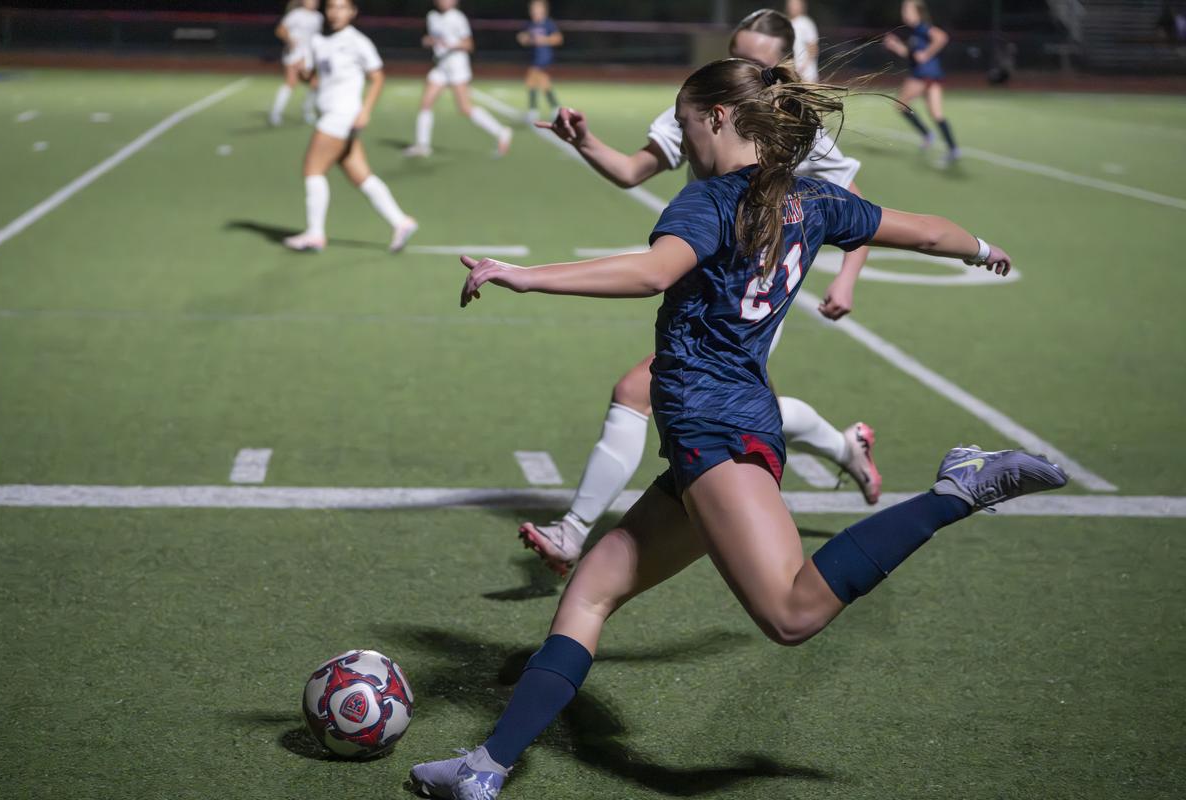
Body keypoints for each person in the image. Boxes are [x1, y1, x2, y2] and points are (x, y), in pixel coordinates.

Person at [408, 56, 1068, 799]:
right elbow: (920, 231)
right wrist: (979, 248)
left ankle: (958, 489)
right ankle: (485, 768)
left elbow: (653, 273)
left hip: (714, 428)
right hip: (722, 426)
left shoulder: (709, 203)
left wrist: (524, 274)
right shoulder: (812, 199)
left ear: (718, 117)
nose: (682, 140)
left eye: (686, 123)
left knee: (789, 614)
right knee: (591, 590)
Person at [521, 9, 878, 577]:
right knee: (746, 409)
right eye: (736, 55)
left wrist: (846, 277)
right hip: (708, 285)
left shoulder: (787, 123)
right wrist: (585, 141)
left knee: (638, 388)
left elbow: (856, 209)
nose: (744, 70)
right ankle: (843, 446)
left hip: (749, 295)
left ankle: (573, 534)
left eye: (758, 62)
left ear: (781, 67)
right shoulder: (706, 101)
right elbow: (634, 169)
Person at [283, 0, 418, 254]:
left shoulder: (358, 41)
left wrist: (365, 110)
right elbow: (313, 80)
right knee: (361, 176)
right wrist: (301, 72)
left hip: (341, 116)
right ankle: (401, 222)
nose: (336, 12)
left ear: (353, 11)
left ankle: (315, 234)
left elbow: (378, 77)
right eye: (332, 7)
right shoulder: (319, 41)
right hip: (332, 114)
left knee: (312, 169)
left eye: (342, 7)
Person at [404, 0, 513, 158]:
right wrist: (429, 41)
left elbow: (469, 45)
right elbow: (433, 39)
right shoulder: (432, 16)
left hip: (457, 66)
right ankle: (422, 146)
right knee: (425, 103)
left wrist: (450, 45)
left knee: (465, 108)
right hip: (441, 66)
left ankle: (502, 132)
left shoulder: (458, 18)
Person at [883, 0, 960, 162]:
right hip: (932, 75)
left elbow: (941, 37)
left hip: (923, 74)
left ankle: (927, 134)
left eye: (907, 10)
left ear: (917, 12)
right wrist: (896, 46)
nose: (904, 14)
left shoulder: (922, 27)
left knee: (901, 104)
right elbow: (911, 55)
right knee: (936, 114)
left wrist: (927, 54)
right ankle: (953, 149)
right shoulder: (914, 33)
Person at [269, 0, 323, 127]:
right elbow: (280, 30)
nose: (313, 2)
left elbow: (316, 37)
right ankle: (275, 113)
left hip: (308, 55)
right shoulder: (295, 14)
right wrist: (290, 41)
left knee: (315, 85)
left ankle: (307, 111)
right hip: (294, 54)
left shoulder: (318, 17)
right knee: (291, 82)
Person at [517, 0, 564, 123]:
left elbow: (558, 39)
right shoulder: (531, 24)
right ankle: (556, 109)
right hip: (534, 58)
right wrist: (523, 38)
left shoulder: (548, 24)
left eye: (537, 9)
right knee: (544, 83)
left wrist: (544, 39)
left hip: (544, 58)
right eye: (532, 9)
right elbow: (525, 38)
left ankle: (533, 112)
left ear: (544, 10)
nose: (534, 12)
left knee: (530, 81)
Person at [786, 0, 820, 82]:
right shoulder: (787, 22)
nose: (793, 7)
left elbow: (813, 48)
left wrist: (803, 67)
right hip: (791, 72)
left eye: (796, 5)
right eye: (791, 5)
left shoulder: (806, 23)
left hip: (806, 72)